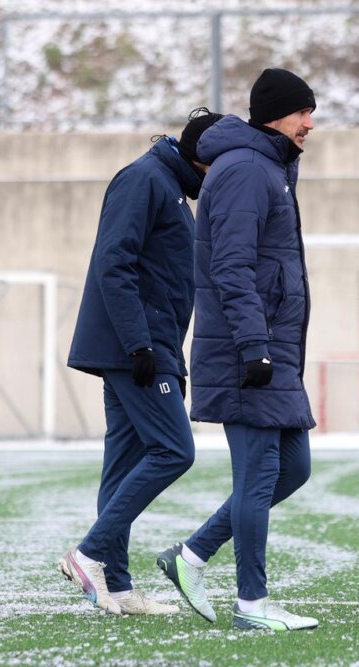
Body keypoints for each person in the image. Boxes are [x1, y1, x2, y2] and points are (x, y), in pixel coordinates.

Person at [155, 69, 319, 632]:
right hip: (247, 350)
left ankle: (191, 556)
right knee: (257, 476)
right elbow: (231, 266)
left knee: (292, 469)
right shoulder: (248, 169)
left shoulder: (268, 167)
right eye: (303, 113)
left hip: (271, 347)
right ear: (276, 114)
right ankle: (252, 602)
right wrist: (253, 346)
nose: (310, 124)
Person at [58, 108, 224, 616]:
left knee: (124, 462)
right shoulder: (144, 179)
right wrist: (141, 346)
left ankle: (120, 585)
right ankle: (87, 554)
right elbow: (114, 262)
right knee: (175, 450)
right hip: (137, 350)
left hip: (149, 347)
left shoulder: (171, 186)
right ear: (202, 160)